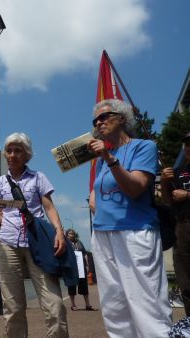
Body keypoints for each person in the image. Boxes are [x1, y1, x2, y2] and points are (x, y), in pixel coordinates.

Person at [87, 99, 172, 337]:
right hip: (104, 233)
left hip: (135, 230)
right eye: (95, 120)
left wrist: (110, 160)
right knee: (115, 305)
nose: (98, 123)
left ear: (122, 118)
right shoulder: (103, 156)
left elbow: (136, 188)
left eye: (104, 117)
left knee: (147, 301)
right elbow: (95, 195)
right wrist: (95, 200)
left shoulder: (143, 147)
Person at [0, 132, 68, 338]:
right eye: (9, 150)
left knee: (54, 304)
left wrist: (59, 231)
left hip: (37, 242)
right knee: (13, 308)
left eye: (18, 150)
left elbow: (49, 207)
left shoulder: (39, 177)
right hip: (6, 243)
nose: (12, 154)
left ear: (26, 154)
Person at [160, 131, 190, 317]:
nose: (188, 148)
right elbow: (167, 202)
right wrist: (164, 182)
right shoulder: (178, 172)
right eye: (186, 144)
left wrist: (187, 195)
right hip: (183, 227)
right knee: (186, 282)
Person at [64, 229, 96, 311]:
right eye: (70, 233)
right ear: (67, 235)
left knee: (84, 286)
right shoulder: (65, 243)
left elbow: (84, 253)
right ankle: (73, 305)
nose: (72, 235)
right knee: (72, 286)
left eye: (73, 233)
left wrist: (87, 264)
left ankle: (88, 305)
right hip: (71, 268)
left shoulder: (79, 242)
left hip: (81, 267)